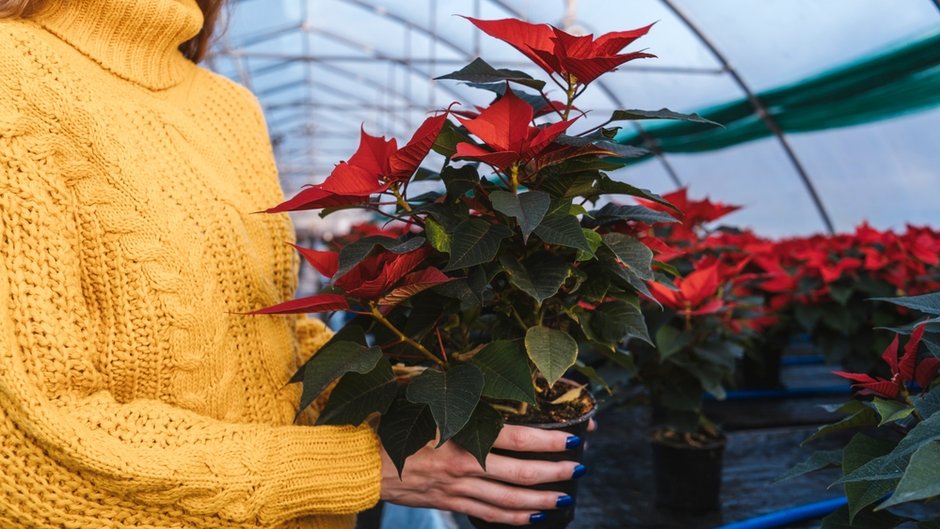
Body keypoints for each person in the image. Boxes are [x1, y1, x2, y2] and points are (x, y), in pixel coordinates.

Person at [0, 1, 585, 527]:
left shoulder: (229, 107)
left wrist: (443, 398)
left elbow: (265, 345)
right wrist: (363, 466)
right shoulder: (14, 84)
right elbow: (28, 453)